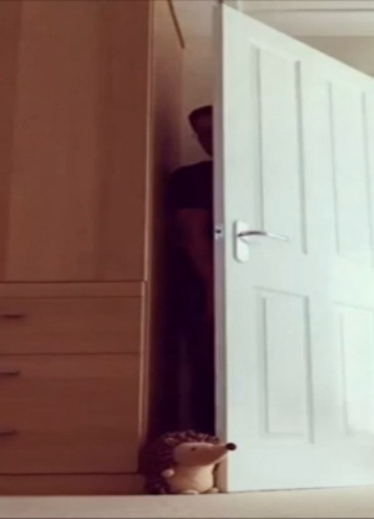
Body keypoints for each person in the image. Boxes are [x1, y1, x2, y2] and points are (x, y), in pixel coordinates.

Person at [165, 105, 215, 434]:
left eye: (217, 129)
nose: (212, 139)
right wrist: (213, 289)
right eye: (204, 134)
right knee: (207, 370)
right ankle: (208, 448)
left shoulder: (270, 175)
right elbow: (192, 235)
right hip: (200, 286)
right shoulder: (190, 179)